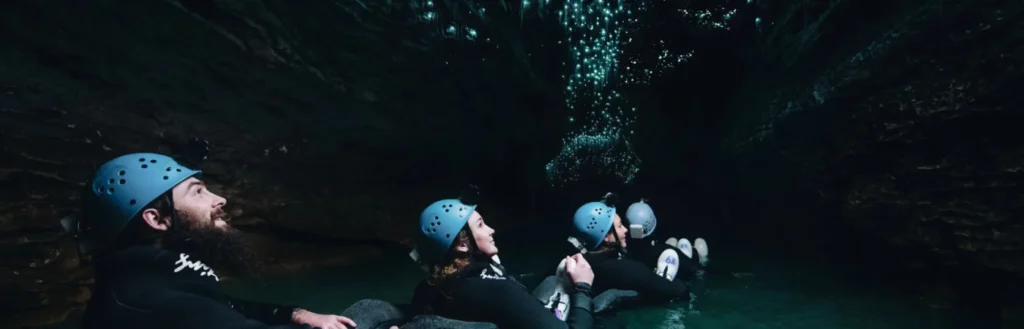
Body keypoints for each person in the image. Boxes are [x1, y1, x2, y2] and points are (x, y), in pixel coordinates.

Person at [71, 153, 401, 329]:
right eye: (198, 192)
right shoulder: (145, 297)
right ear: (157, 219)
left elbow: (223, 307)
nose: (220, 199)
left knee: (372, 309)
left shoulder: (157, 271)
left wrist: (294, 313)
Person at [408, 197, 596, 329]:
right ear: (462, 244)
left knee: (548, 281)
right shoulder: (500, 290)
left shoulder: (425, 289)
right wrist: (583, 287)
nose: (492, 230)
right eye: (481, 225)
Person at [556, 195, 692, 308]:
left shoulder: (572, 263)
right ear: (606, 237)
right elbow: (680, 291)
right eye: (620, 226)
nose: (626, 230)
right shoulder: (629, 270)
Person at [622, 199, 708, 283]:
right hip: (684, 267)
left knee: (673, 241)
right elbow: (695, 269)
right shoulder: (663, 250)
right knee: (695, 244)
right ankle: (702, 258)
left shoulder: (625, 252)